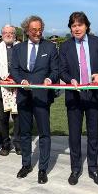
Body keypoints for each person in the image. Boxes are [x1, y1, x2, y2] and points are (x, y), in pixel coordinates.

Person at [60, 12, 98, 186]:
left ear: (86, 26)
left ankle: (93, 168)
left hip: (94, 96)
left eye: (80, 25)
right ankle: (75, 169)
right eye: (73, 25)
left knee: (93, 135)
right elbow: (61, 69)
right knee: (74, 136)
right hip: (74, 96)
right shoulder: (65, 46)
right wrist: (70, 80)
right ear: (70, 28)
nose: (77, 28)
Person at [11, 15, 59, 184]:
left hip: (41, 97)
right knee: (24, 133)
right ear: (27, 30)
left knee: (44, 133)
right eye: (34, 30)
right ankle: (26, 165)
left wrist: (49, 79)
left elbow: (55, 70)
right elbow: (14, 70)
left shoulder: (50, 47)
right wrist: (20, 81)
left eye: (40, 29)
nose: (37, 33)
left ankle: (43, 169)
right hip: (24, 96)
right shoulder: (18, 49)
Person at [0, 25, 21, 156]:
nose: (8, 35)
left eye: (11, 33)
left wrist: (17, 80)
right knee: (2, 120)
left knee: (18, 119)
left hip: (17, 89)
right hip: (0, 90)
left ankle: (18, 144)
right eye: (6, 33)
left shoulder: (20, 48)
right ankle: (5, 144)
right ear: (2, 34)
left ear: (14, 34)